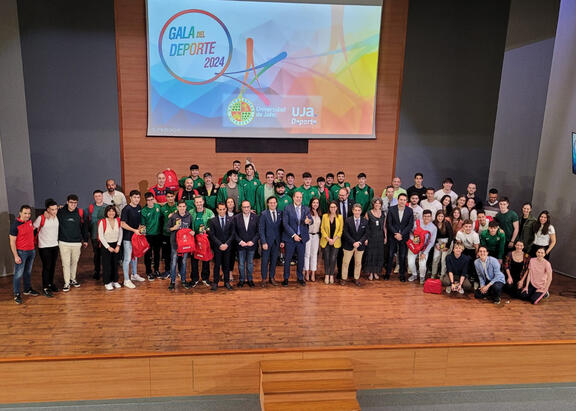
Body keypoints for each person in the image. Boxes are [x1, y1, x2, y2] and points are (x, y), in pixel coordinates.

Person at [57, 194, 89, 292]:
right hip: (63, 242)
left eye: (75, 203)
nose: (73, 205)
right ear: (67, 202)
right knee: (65, 263)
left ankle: (72, 279)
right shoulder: (60, 212)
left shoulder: (80, 212)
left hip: (76, 242)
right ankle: (66, 283)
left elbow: (84, 227)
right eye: (71, 202)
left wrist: (86, 240)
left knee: (74, 262)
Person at [10, 205, 39, 304]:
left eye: (29, 213)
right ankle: (17, 294)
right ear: (20, 213)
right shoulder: (15, 225)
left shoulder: (30, 222)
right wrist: (15, 256)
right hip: (21, 252)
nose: (27, 215)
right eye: (25, 213)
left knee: (28, 272)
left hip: (31, 251)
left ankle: (27, 290)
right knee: (18, 274)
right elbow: (12, 242)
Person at [282, 191, 311, 286]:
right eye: (297, 197)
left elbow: (311, 220)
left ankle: (300, 277)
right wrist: (294, 235)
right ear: (293, 198)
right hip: (290, 238)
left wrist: (309, 221)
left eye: (300, 197)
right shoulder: (287, 208)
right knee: (288, 259)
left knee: (301, 259)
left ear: (302, 199)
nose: (299, 199)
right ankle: (286, 278)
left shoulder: (306, 209)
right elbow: (285, 224)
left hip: (302, 239)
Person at [33, 199, 59, 297]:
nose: (54, 211)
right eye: (52, 209)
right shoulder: (41, 218)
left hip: (54, 245)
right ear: (47, 209)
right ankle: (45, 287)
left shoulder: (57, 216)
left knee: (52, 266)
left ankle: (50, 284)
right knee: (47, 267)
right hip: (44, 247)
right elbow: (32, 228)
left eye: (56, 209)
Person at [385, 193, 414, 282]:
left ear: (406, 201)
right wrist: (396, 233)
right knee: (390, 255)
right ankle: (387, 273)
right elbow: (389, 224)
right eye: (401, 199)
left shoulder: (409, 211)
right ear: (398, 200)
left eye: (404, 200)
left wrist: (401, 234)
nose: (402, 201)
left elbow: (410, 225)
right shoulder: (391, 209)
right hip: (393, 236)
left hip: (404, 237)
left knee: (402, 256)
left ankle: (402, 274)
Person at [120, 190, 145, 289]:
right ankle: (126, 280)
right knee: (127, 259)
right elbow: (122, 224)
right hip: (127, 238)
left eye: (138, 197)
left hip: (136, 237)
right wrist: (134, 230)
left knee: (135, 256)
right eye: (134, 197)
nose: (136, 199)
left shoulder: (139, 207)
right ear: (130, 198)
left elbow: (138, 222)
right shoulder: (126, 209)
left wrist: (140, 230)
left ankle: (134, 275)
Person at [208, 203, 234, 291]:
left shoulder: (231, 220)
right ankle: (215, 282)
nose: (222, 211)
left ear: (226, 209)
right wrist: (219, 244)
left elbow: (232, 234)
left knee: (226, 265)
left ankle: (226, 282)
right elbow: (212, 235)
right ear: (217, 210)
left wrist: (226, 244)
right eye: (220, 209)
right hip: (217, 247)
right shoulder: (212, 221)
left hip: (227, 247)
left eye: (223, 209)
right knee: (217, 265)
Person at [341, 204, 369, 286]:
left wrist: (359, 242)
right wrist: (353, 242)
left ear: (361, 211)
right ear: (353, 211)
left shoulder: (365, 221)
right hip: (349, 245)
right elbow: (345, 233)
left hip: (360, 246)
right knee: (345, 263)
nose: (357, 212)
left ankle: (356, 278)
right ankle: (344, 278)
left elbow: (366, 234)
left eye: (359, 210)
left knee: (358, 263)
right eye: (355, 210)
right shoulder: (347, 220)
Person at [167, 200, 193, 290]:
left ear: (186, 207)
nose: (182, 208)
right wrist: (173, 228)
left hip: (185, 244)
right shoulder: (173, 216)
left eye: (183, 206)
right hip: (175, 244)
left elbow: (191, 228)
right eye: (180, 206)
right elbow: (167, 229)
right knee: (174, 263)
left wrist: (192, 232)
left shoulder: (189, 216)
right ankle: (172, 281)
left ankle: (183, 280)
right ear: (177, 207)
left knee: (184, 262)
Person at [189, 196, 214, 287]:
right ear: (194, 203)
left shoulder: (209, 212)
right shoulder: (191, 212)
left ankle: (205, 278)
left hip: (205, 239)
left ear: (203, 202)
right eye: (197, 202)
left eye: (200, 202)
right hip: (194, 239)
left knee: (205, 259)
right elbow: (187, 224)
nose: (199, 204)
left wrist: (207, 229)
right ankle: (194, 279)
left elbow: (213, 225)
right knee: (194, 260)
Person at [234, 200, 259, 287]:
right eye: (244, 207)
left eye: (248, 207)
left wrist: (253, 241)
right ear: (241, 208)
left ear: (250, 207)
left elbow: (258, 232)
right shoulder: (236, 218)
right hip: (241, 245)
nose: (246, 209)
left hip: (251, 245)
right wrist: (240, 241)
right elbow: (234, 232)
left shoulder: (256, 217)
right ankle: (241, 280)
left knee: (250, 263)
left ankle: (250, 279)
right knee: (241, 264)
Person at [407, 210, 437, 284]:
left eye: (428, 216)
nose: (426, 218)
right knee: (410, 262)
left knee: (422, 264)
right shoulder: (416, 223)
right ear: (422, 216)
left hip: (424, 248)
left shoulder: (434, 228)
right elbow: (410, 232)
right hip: (414, 246)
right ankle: (414, 274)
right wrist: (412, 239)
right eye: (425, 216)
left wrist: (425, 252)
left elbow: (431, 242)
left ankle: (422, 277)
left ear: (431, 217)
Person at [259, 196, 283, 286]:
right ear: (268, 204)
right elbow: (261, 229)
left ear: (276, 203)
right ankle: (264, 279)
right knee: (265, 261)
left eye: (274, 203)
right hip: (267, 242)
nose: (273, 204)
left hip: (276, 242)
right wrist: (263, 242)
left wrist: (282, 241)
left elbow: (281, 228)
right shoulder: (263, 214)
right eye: (271, 203)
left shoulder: (280, 213)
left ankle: (272, 278)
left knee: (274, 261)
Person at [98, 205, 123, 291]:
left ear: (115, 212)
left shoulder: (118, 221)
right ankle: (107, 282)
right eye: (109, 211)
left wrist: (118, 245)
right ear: (106, 212)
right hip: (106, 246)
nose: (111, 213)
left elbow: (120, 234)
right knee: (107, 265)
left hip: (116, 245)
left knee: (115, 265)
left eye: (113, 211)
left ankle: (115, 281)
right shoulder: (102, 221)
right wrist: (108, 247)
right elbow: (101, 236)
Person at [320, 201, 343, 284]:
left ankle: (331, 275)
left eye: (334, 207)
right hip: (326, 241)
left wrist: (334, 239)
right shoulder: (325, 216)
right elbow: (322, 228)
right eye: (331, 207)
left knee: (333, 259)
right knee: (326, 258)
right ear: (329, 208)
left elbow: (340, 230)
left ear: (337, 208)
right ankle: (326, 274)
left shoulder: (340, 217)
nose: (333, 208)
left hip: (335, 241)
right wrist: (328, 239)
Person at [363, 198, 387, 281]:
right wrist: (365, 238)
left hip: (380, 236)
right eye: (376, 203)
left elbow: (384, 226)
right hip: (371, 236)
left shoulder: (383, 213)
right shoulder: (368, 213)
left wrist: (385, 237)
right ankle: (370, 272)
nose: (377, 205)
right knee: (370, 254)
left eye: (379, 203)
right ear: (373, 204)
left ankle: (376, 272)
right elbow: (365, 227)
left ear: (381, 204)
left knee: (378, 255)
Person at [141, 192, 162, 280]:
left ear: (154, 199)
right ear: (146, 201)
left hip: (158, 234)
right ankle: (149, 272)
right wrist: (143, 235)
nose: (150, 202)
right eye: (148, 200)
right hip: (148, 236)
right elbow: (142, 225)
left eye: (152, 199)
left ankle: (156, 270)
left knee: (157, 253)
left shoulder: (158, 207)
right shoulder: (144, 211)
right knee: (148, 255)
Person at [86, 190, 106, 280]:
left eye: (99, 196)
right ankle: (97, 271)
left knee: (106, 254)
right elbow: (83, 218)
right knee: (97, 254)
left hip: (106, 236)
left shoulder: (107, 207)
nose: (98, 198)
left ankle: (106, 271)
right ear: (94, 197)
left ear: (102, 196)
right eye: (96, 196)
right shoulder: (90, 208)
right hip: (94, 235)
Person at [159, 190, 177, 279]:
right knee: (166, 254)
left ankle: (178, 271)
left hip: (177, 235)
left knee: (177, 254)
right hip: (166, 234)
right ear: (166, 198)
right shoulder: (163, 208)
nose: (170, 198)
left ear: (174, 196)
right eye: (168, 197)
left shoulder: (179, 206)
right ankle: (167, 271)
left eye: (171, 196)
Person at [431, 210, 454, 279]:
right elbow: (432, 235)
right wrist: (436, 243)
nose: (440, 218)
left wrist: (447, 246)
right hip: (438, 242)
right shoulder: (433, 223)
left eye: (442, 216)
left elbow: (451, 236)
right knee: (435, 258)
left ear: (444, 217)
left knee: (443, 260)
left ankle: (442, 275)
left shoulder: (447, 223)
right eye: (439, 216)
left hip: (447, 242)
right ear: (436, 216)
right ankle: (433, 274)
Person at [303, 197, 322, 282]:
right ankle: (306, 272)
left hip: (316, 236)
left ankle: (313, 273)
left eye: (317, 203)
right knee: (307, 254)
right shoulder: (307, 212)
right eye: (314, 202)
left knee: (314, 255)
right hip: (308, 235)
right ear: (311, 203)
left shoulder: (320, 213)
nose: (315, 204)